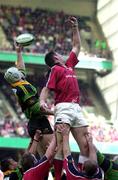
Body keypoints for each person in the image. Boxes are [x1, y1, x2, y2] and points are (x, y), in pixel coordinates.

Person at [40, 16, 89, 158]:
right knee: (60, 147)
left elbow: (77, 46)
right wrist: (42, 102)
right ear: (55, 58)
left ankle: (83, 177)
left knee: (85, 145)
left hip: (77, 108)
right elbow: (46, 89)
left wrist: (75, 28)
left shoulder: (69, 65)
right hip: (64, 108)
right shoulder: (55, 69)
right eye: (58, 54)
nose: (61, 55)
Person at [4, 42, 53, 156]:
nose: (20, 71)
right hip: (38, 122)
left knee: (45, 158)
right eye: (18, 72)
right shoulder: (24, 89)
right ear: (17, 76)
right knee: (51, 156)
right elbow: (37, 109)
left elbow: (21, 68)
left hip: (34, 123)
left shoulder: (17, 83)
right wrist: (56, 113)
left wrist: (19, 53)